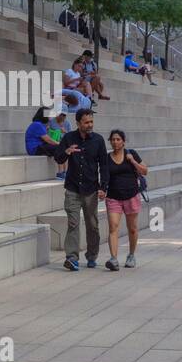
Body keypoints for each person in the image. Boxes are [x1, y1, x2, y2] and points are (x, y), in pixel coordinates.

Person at [53, 107, 109, 271]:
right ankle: (72, 258)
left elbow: (104, 166)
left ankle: (92, 255)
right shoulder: (69, 137)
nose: (90, 125)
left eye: (91, 122)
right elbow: (58, 157)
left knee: (92, 225)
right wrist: (67, 152)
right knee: (73, 223)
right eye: (86, 122)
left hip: (91, 190)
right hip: (72, 188)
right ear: (78, 123)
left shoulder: (98, 140)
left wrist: (103, 187)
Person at [103, 129, 148, 270]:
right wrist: (102, 189)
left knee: (133, 229)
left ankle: (131, 255)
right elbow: (104, 176)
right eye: (113, 139)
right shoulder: (107, 157)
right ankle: (114, 259)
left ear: (123, 141)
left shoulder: (131, 153)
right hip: (113, 196)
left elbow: (145, 171)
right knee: (113, 227)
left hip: (131, 195)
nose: (115, 142)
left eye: (118, 139)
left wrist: (132, 161)